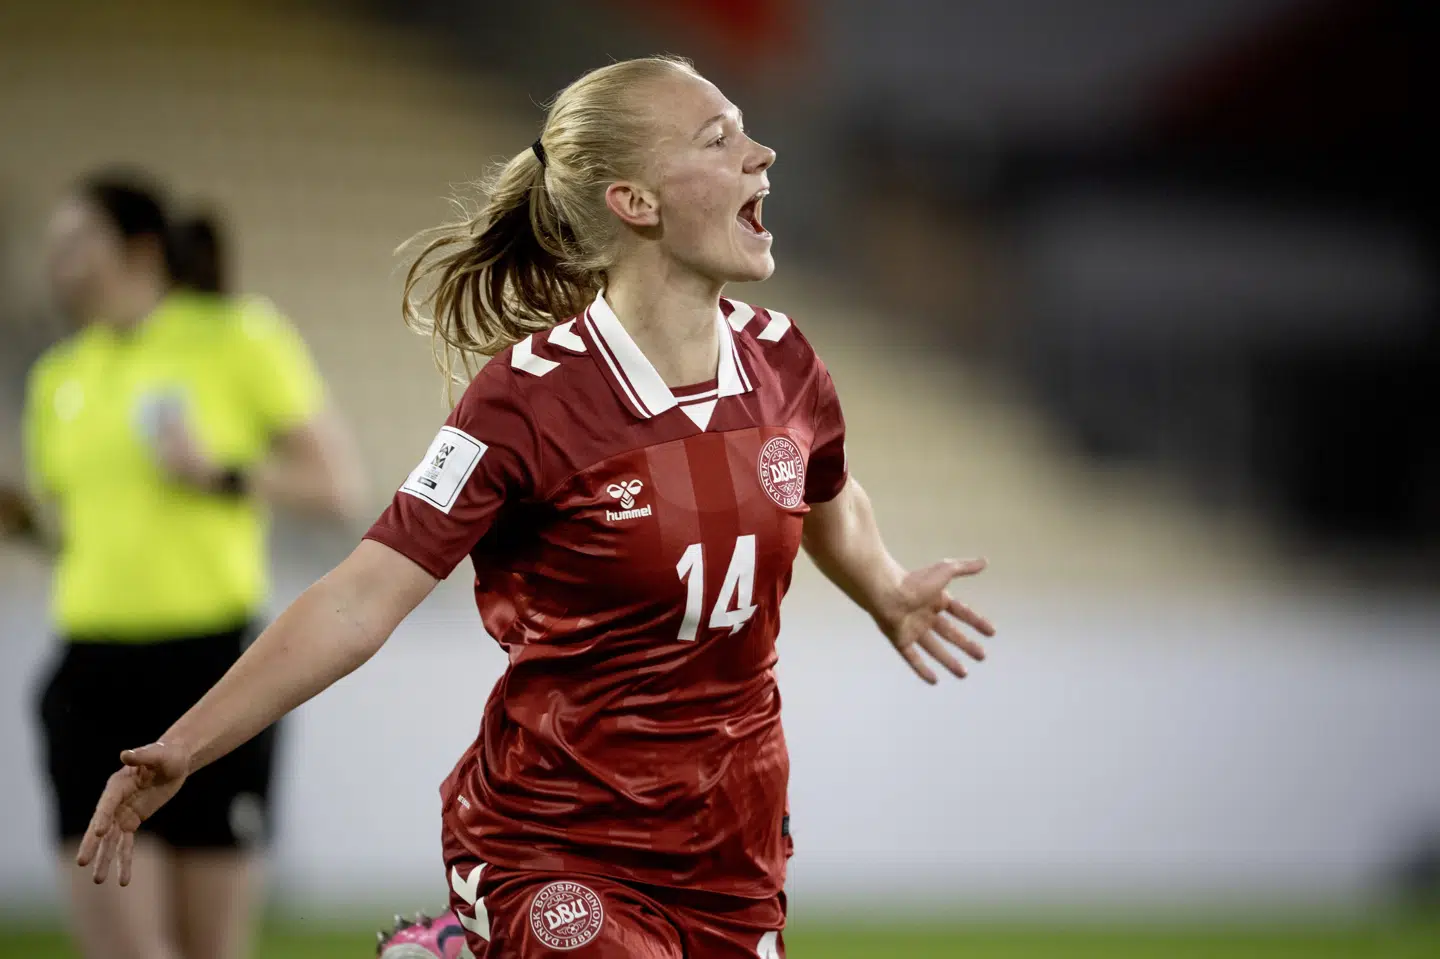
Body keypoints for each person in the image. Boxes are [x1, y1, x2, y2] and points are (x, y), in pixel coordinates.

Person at [77, 57, 996, 959]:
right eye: (720, 139)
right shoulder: (527, 400)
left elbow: (824, 491)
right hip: (557, 840)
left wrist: (884, 588)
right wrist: (187, 745)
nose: (762, 155)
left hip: (732, 842)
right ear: (635, 202)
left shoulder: (785, 363)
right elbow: (360, 598)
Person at [23, 173, 364, 959]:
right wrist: (23, 523)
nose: (58, 262)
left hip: (212, 674)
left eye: (77, 243)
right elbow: (81, 537)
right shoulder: (58, 377)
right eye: (54, 247)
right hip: (91, 679)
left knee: (211, 949)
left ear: (140, 248)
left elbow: (337, 486)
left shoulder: (235, 337)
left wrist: (222, 472)